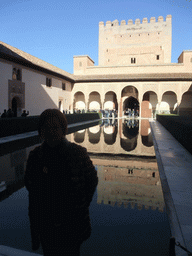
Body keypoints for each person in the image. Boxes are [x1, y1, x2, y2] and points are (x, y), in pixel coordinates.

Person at [24, 109, 98, 256]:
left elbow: (91, 181)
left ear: (63, 129)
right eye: (46, 128)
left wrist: (80, 205)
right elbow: (31, 191)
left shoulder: (78, 154)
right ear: (41, 131)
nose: (51, 132)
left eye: (55, 128)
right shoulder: (35, 157)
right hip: (46, 226)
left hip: (72, 226)